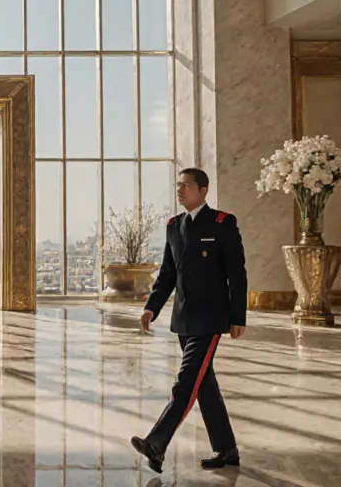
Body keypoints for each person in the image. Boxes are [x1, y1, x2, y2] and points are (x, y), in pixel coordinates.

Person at [130, 167, 247, 474]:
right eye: (178, 185)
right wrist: (151, 308)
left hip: (211, 319)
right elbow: (168, 275)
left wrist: (238, 316)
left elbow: (237, 274)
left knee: (186, 384)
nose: (180, 190)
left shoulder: (223, 223)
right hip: (183, 318)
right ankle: (227, 450)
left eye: (186, 185)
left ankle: (157, 443)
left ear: (203, 190)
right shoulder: (173, 226)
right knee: (204, 384)